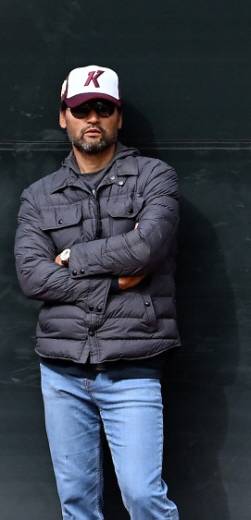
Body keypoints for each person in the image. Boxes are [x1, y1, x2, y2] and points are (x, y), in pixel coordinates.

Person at [14, 65, 180, 520]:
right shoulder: (38, 195)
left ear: (118, 118)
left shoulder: (154, 178)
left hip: (133, 364)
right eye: (81, 108)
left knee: (143, 497)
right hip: (62, 370)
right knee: (78, 506)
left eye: (103, 108)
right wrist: (111, 281)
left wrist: (73, 258)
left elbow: (145, 248)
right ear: (64, 117)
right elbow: (31, 276)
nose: (92, 117)